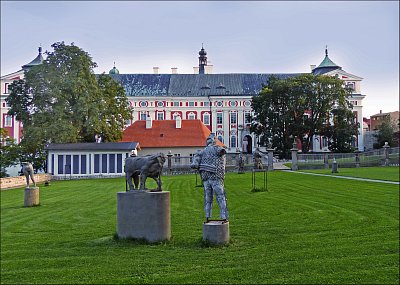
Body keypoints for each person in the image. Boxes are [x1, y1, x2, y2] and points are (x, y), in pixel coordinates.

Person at [191, 133, 229, 223]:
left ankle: (207, 215)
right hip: (215, 175)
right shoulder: (216, 148)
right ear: (214, 141)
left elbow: (194, 164)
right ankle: (223, 216)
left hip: (205, 177)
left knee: (208, 197)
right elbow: (222, 151)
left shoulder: (201, 151)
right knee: (220, 196)